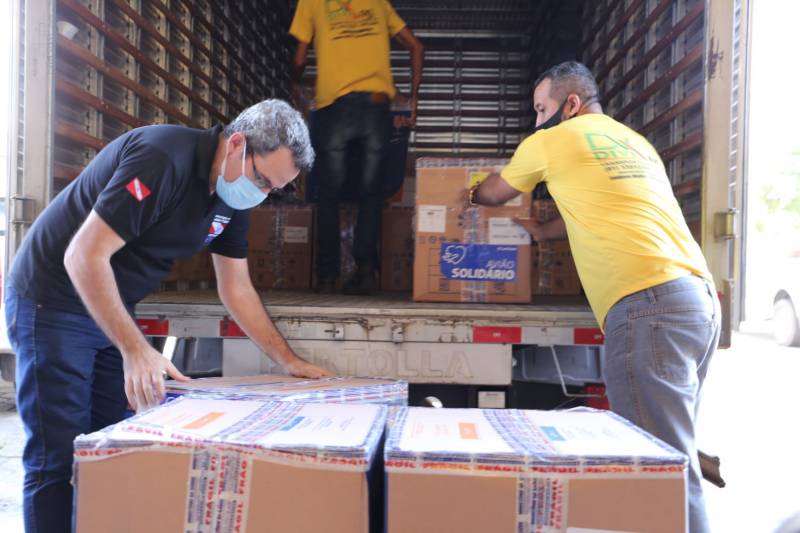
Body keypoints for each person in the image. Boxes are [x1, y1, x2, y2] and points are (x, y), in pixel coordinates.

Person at [4, 99, 332, 533]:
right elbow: (83, 255)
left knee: (107, 446)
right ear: (237, 144)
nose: (262, 193)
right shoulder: (161, 159)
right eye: (262, 179)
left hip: (108, 304)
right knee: (58, 457)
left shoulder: (232, 198)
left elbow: (236, 287)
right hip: (52, 301)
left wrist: (286, 360)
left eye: (274, 189)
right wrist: (136, 350)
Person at [468, 61, 720, 533]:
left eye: (540, 109)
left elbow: (494, 194)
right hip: (697, 300)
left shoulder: (552, 140)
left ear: (570, 104)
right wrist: (544, 230)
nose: (537, 121)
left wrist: (465, 189)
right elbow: (604, 204)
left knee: (659, 469)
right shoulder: (635, 144)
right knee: (674, 454)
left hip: (647, 306)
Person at [290, 0, 424, 294]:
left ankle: (327, 277)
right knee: (371, 193)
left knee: (328, 193)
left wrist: (293, 84)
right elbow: (416, 46)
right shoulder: (378, 3)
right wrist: (413, 99)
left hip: (334, 109)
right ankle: (365, 273)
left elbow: (299, 58)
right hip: (376, 108)